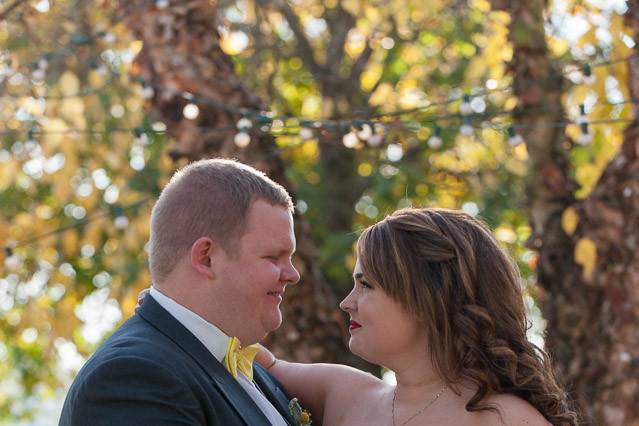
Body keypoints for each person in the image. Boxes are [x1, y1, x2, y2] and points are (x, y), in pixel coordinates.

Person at [255, 207, 578, 426]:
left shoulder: (506, 419)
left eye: (366, 285)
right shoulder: (342, 393)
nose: (346, 303)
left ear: (426, 297)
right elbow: (247, 359)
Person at [59, 158, 302, 425]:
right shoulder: (135, 377)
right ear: (206, 257)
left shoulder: (247, 369)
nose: (293, 275)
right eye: (273, 257)